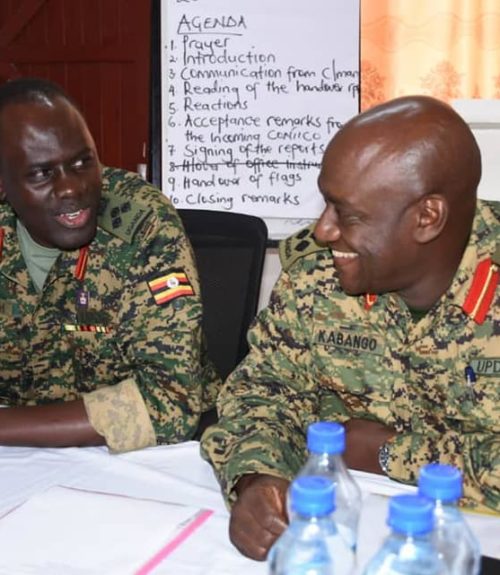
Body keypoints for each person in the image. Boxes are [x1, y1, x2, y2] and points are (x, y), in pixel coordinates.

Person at [200, 95, 500, 560]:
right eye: (327, 204)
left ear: (427, 217)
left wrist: (389, 454)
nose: (323, 230)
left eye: (348, 214)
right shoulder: (317, 276)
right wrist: (257, 477)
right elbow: (262, 391)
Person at [0, 77, 220, 452]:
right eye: (41, 173)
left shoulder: (142, 223)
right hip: (22, 457)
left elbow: (169, 401)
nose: (71, 188)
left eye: (83, 162)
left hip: (148, 454)